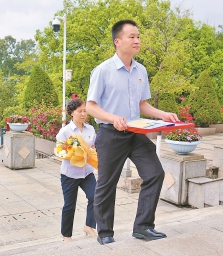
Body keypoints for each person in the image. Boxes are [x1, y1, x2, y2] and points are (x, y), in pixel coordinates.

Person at [86, 20, 179, 245]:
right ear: (118, 41)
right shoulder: (103, 70)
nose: (137, 40)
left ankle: (143, 227)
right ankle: (105, 231)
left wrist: (163, 114)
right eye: (132, 37)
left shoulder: (141, 70)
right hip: (110, 134)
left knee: (155, 174)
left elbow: (141, 105)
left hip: (136, 133)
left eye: (138, 36)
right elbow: (90, 106)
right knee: (107, 184)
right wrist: (112, 118)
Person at [56, 98, 97, 242]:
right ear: (72, 113)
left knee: (95, 197)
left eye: (85, 111)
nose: (83, 114)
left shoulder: (90, 129)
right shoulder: (65, 131)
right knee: (69, 205)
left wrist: (91, 151)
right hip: (70, 174)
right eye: (80, 111)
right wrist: (75, 154)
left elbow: (94, 146)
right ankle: (66, 235)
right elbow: (60, 152)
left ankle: (89, 226)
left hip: (87, 173)